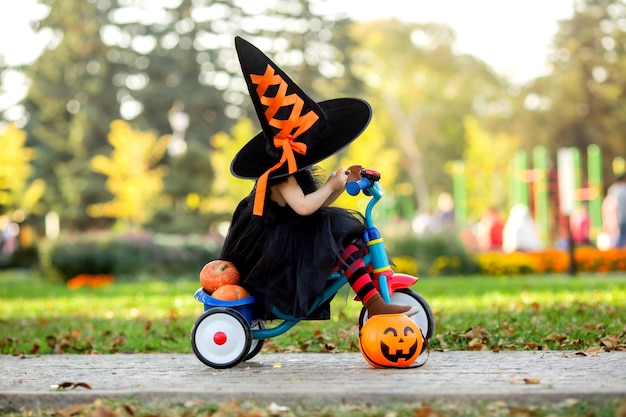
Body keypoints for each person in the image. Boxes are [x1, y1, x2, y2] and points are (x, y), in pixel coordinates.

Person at [219, 37, 417, 320]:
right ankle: (374, 303)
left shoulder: (295, 168)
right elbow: (302, 207)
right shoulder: (280, 173)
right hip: (281, 246)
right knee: (342, 241)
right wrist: (330, 185)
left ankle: (373, 300)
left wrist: (341, 182)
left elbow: (315, 203)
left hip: (299, 229)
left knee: (345, 240)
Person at [607, 173, 626, 248]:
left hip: (618, 218)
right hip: (620, 218)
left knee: (619, 239)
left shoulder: (613, 189)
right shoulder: (620, 189)